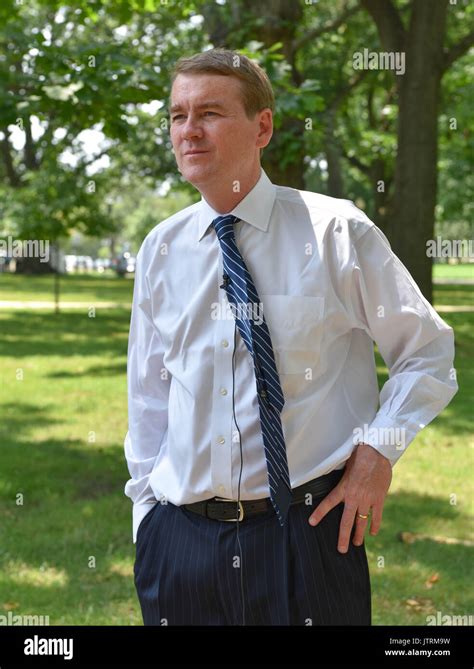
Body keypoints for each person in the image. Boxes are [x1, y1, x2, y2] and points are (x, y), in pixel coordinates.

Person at [123, 48, 457, 626]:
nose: (189, 131)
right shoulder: (162, 247)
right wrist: (147, 519)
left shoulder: (335, 231)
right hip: (179, 547)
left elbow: (427, 352)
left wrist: (378, 451)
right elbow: (149, 395)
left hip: (306, 539)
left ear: (263, 126)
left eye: (210, 113)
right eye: (177, 116)